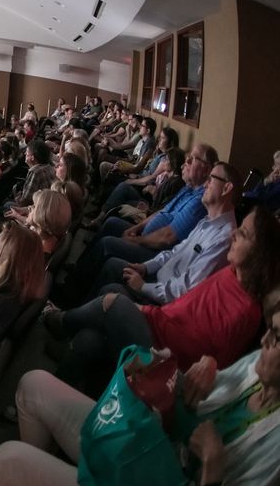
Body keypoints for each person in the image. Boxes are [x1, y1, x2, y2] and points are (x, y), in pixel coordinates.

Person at [0, 306, 280, 486]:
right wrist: (202, 368)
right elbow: (191, 400)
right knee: (33, 384)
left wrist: (212, 477)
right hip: (143, 446)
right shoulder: (257, 366)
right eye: (270, 328)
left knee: (4, 461)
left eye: (277, 337)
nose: (264, 339)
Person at [47, 205, 280, 387]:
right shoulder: (229, 274)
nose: (234, 234)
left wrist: (144, 311)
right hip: (159, 327)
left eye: (244, 233)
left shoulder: (247, 311)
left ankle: (63, 321)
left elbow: (208, 362)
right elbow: (182, 308)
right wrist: (147, 309)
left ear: (260, 254)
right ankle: (61, 383)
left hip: (168, 358)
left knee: (114, 300)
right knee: (91, 338)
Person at [61, 144, 217, 305]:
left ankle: (71, 297)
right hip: (146, 237)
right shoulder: (188, 189)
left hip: (154, 251)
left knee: (107, 245)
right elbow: (160, 212)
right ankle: (78, 273)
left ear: (206, 169)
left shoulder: (199, 202)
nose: (187, 160)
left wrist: (136, 240)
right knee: (112, 223)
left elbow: (167, 237)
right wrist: (135, 228)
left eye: (193, 158)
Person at [93, 162, 242, 304]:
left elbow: (187, 289)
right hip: (158, 278)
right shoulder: (207, 221)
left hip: (163, 299)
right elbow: (174, 252)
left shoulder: (224, 238)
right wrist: (146, 267)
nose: (205, 184)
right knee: (112, 263)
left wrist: (143, 286)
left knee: (110, 280)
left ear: (226, 188)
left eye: (211, 179)